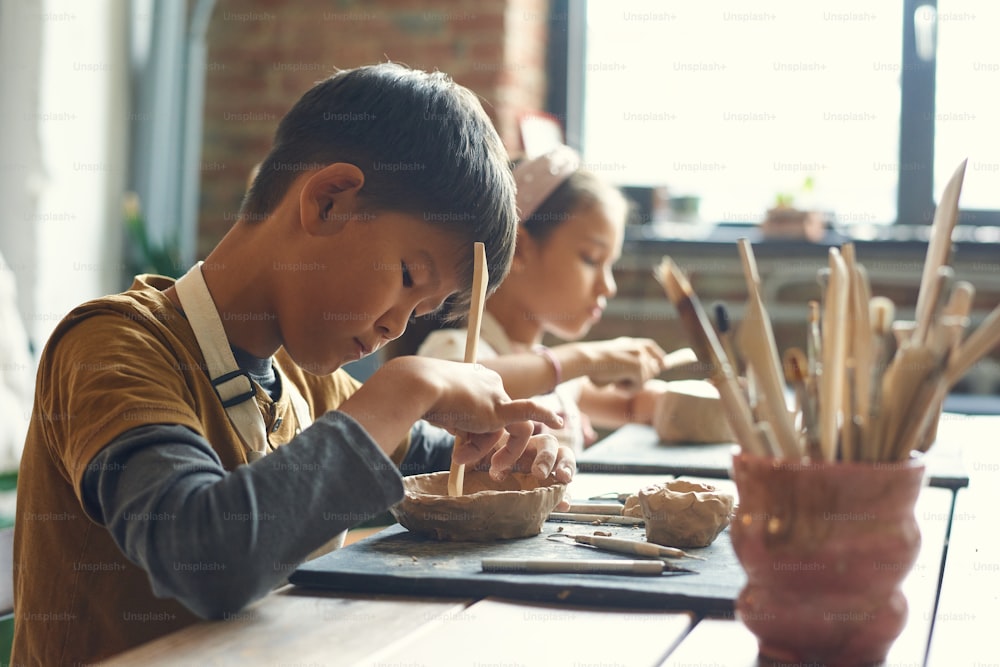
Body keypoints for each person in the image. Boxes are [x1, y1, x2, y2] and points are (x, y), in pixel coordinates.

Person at [12, 63, 574, 665]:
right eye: (409, 277)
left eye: (422, 310)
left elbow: (432, 467)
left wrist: (503, 461)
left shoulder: (308, 386)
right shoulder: (112, 347)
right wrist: (404, 389)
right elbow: (205, 558)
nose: (396, 326)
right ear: (328, 201)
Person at [417, 145, 678, 452]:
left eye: (611, 266)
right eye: (591, 259)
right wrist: (586, 359)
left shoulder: (560, 375)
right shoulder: (453, 352)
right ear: (521, 248)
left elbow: (635, 406)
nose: (608, 287)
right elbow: (462, 389)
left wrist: (717, 398)